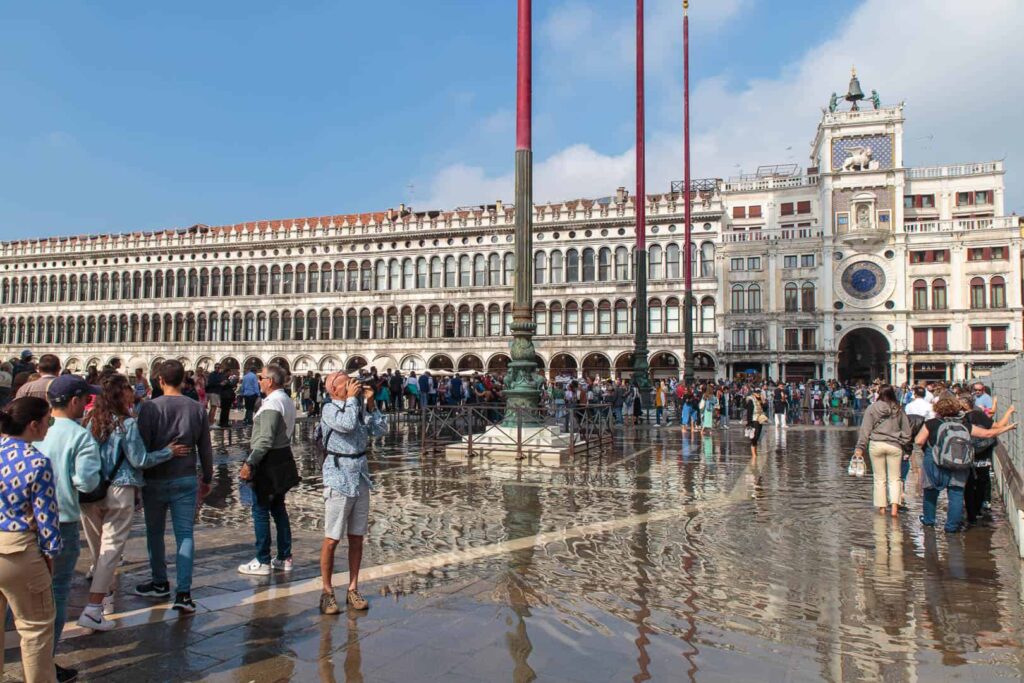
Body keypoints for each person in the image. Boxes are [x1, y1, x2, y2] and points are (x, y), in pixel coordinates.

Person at [78, 374, 188, 631]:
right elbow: (140, 460)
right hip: (119, 489)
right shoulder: (126, 425)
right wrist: (168, 452)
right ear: (120, 395)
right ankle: (95, 607)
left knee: (98, 550)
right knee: (111, 548)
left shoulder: (89, 420)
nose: (133, 392)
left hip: (90, 491)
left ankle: (105, 596)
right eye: (128, 389)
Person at [35, 376, 103, 683]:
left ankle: (24, 653)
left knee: (22, 594)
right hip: (62, 520)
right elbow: (87, 482)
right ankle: (44, 662)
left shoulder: (33, 429)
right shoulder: (81, 436)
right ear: (75, 401)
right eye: (85, 398)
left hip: (25, 522)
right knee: (57, 592)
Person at [134, 360, 214, 614]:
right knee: (185, 535)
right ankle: (183, 593)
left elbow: (141, 449)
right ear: (182, 380)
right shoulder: (195, 408)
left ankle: (159, 582)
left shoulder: (148, 408)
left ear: (159, 381)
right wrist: (208, 478)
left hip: (154, 480)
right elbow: (205, 447)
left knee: (155, 533)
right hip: (186, 479)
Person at [0, 397, 62, 683]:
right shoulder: (37, 461)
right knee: (35, 628)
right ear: (33, 425)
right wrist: (51, 554)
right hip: (19, 551)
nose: (49, 426)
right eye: (48, 420)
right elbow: (46, 517)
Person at [316, 372, 385, 615]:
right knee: (332, 538)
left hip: (360, 475)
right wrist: (353, 401)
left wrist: (370, 404)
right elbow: (345, 425)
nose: (352, 386)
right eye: (347, 383)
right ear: (334, 389)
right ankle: (327, 592)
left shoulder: (357, 406)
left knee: (357, 537)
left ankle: (353, 588)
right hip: (338, 476)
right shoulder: (329, 409)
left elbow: (379, 430)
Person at [915, 396, 1015, 533]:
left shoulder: (931, 423)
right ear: (957, 409)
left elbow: (919, 441)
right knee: (956, 493)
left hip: (934, 461)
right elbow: (988, 434)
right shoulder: (964, 424)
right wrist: (1008, 428)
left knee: (930, 491)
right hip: (959, 461)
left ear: (937, 409)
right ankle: (951, 527)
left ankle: (929, 521)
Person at [238, 365, 298, 576]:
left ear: (270, 381)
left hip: (269, 462)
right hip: (283, 457)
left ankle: (262, 560)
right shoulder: (286, 400)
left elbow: (264, 440)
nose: (259, 380)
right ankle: (284, 556)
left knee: (261, 510)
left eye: (261, 377)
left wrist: (250, 463)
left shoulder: (273, 403)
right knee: (278, 509)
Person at [853, 386, 911, 517]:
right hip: (895, 446)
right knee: (895, 479)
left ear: (878, 393)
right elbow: (907, 432)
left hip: (876, 444)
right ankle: (895, 510)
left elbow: (865, 429)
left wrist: (860, 447)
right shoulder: (899, 409)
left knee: (879, 479)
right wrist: (900, 441)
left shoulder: (872, 408)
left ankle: (882, 510)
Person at [744, 390, 767, 458]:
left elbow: (765, 409)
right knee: (754, 437)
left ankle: (755, 452)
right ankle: (753, 454)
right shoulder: (751, 400)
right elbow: (749, 412)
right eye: (757, 393)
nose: (759, 394)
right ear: (754, 393)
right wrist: (749, 423)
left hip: (760, 419)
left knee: (758, 436)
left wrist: (764, 401)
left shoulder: (760, 400)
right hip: (753, 420)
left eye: (759, 393)